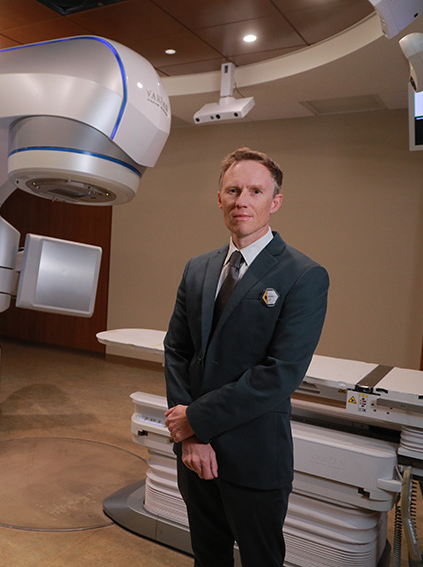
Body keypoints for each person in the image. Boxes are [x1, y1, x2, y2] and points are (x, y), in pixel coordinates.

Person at [163, 147, 329, 567]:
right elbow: (177, 350)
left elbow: (281, 373)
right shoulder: (197, 269)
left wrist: (196, 420)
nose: (243, 200)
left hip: (254, 454)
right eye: (233, 190)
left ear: (274, 202)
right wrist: (191, 435)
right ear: (219, 198)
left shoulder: (303, 275)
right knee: (208, 555)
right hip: (194, 451)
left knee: (261, 559)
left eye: (255, 191)